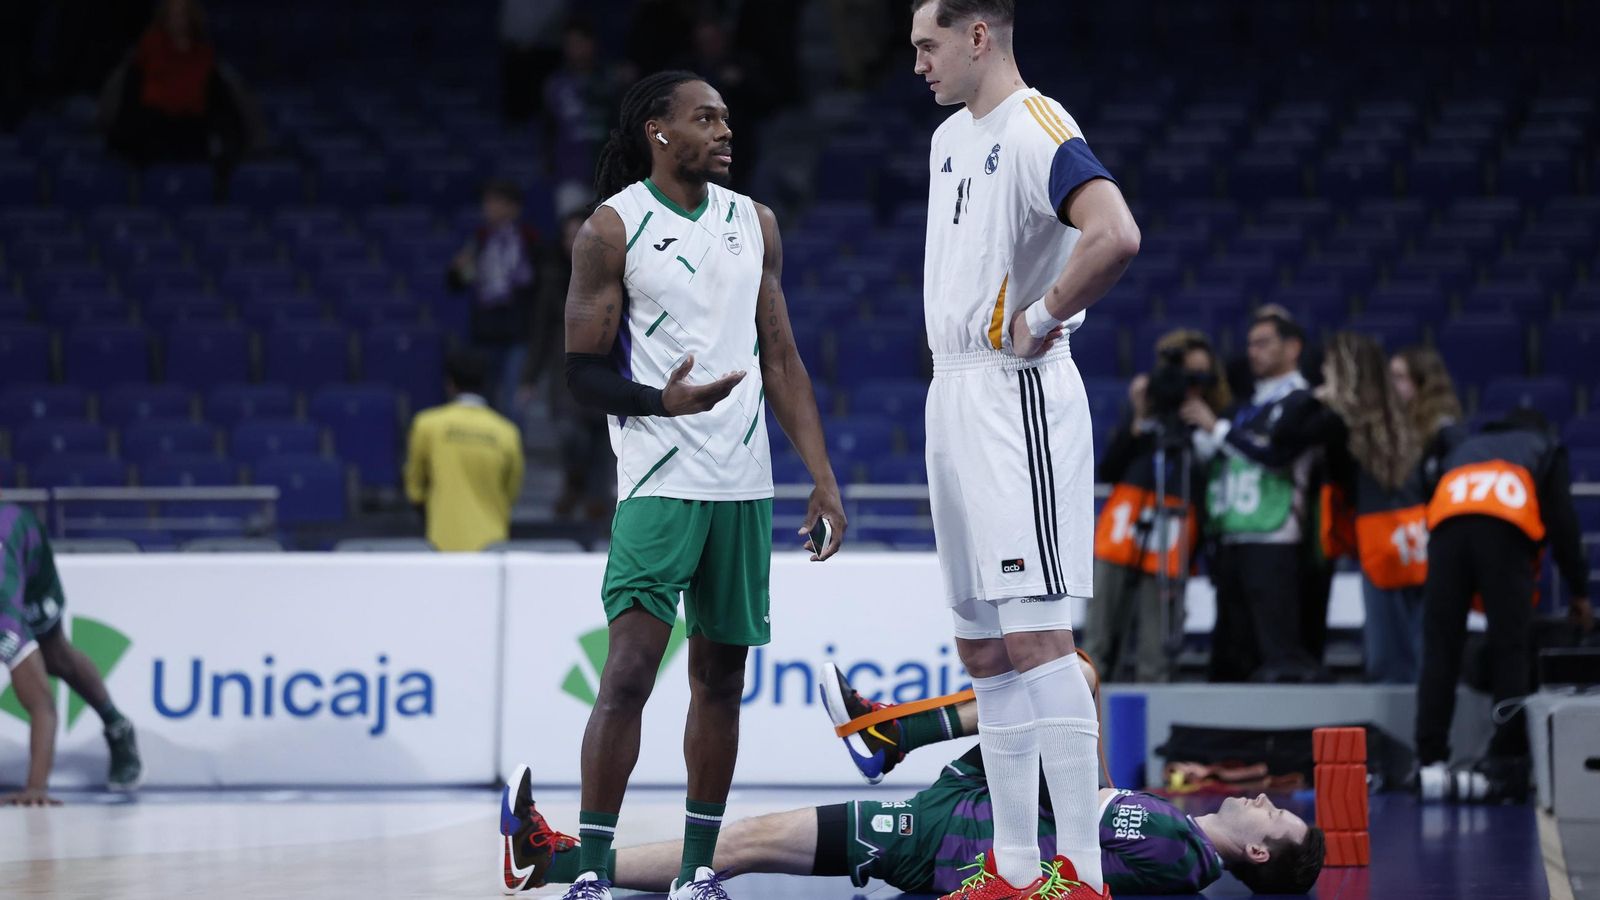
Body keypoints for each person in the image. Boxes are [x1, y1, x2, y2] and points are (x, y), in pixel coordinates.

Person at [530, 71, 846, 900]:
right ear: (659, 132)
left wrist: (821, 478)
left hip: (743, 487)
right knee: (630, 672)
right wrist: (657, 401)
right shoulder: (612, 227)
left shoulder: (756, 224)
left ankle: (697, 872)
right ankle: (591, 872)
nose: (724, 131)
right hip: (660, 481)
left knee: (721, 683)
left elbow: (781, 357)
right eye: (705, 118)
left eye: (727, 118)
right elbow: (580, 375)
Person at [910, 2, 1140, 896]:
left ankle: (1079, 873)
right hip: (953, 387)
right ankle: (1012, 871)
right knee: (984, 652)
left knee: (1039, 638)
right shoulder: (947, 140)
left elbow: (1115, 232)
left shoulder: (1042, 122)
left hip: (1019, 396)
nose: (918, 64)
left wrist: (1044, 316)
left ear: (978, 36)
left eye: (928, 46)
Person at [499, 656, 1325, 896]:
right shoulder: (1177, 826)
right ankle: (891, 736)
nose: (1263, 799)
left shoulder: (1182, 856)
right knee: (1072, 676)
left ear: (1258, 857)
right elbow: (1088, 796)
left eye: (1274, 819)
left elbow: (1078, 876)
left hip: (955, 841)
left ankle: (559, 859)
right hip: (984, 805)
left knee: (742, 844)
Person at [1414, 408, 1595, 802]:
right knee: (1510, 646)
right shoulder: (1544, 446)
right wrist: (1579, 591)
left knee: (1441, 646)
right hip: (1504, 529)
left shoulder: (1465, 447)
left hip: (1446, 527)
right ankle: (1507, 761)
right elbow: (1563, 524)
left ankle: (1429, 759)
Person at [1183, 313, 1336, 683]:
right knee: (1232, 653)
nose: (1253, 351)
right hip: (1233, 535)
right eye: (1250, 343)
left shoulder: (1304, 402)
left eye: (1264, 342)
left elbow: (1273, 458)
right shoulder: (1245, 405)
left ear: (1293, 347)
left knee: (1276, 648)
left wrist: (1215, 428)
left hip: (1275, 536)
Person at [1085, 330, 1229, 683]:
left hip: (1172, 542)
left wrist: (1209, 429)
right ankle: (1088, 726)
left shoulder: (1215, 423)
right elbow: (1108, 470)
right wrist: (1138, 419)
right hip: (1120, 534)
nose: (1189, 385)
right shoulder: (1148, 417)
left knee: (1156, 651)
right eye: (1183, 374)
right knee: (1098, 642)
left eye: (1199, 377)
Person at [0, 502, 142, 804]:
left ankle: (117, 726)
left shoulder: (5, 619)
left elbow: (43, 707)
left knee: (55, 658)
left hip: (31, 572)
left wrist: (35, 788)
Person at [1316, 334, 1430, 684]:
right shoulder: (1403, 418)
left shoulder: (1343, 421)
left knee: (1389, 657)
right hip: (1417, 535)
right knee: (1418, 643)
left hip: (1381, 540)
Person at [101, 0, 251, 170]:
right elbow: (128, 109)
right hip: (152, 134)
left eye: (182, 15)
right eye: (173, 15)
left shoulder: (206, 59)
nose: (178, 21)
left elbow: (222, 111)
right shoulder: (144, 57)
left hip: (193, 136)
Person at [403, 350, 525, 552]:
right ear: (486, 383)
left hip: (441, 545)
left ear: (450, 383)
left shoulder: (427, 425)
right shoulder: (507, 432)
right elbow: (511, 492)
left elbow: (414, 489)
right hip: (493, 547)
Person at [447, 178, 543, 416]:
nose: (488, 208)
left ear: (513, 207)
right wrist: (457, 270)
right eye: (487, 202)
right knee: (484, 400)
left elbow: (539, 286)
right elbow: (457, 283)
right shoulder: (480, 239)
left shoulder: (529, 240)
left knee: (514, 403)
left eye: (496, 202)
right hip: (485, 333)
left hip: (518, 332)